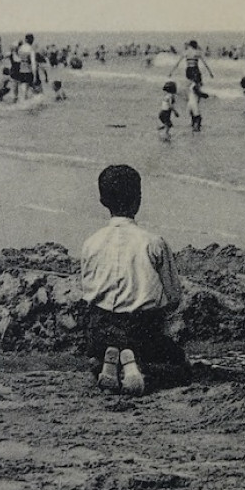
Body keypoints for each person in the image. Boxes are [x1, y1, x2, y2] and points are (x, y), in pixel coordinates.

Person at [79, 164, 189, 397]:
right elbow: (174, 297)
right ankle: (136, 367)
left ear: (102, 201)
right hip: (140, 328)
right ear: (138, 200)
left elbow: (88, 291)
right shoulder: (154, 242)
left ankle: (110, 363)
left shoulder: (90, 243)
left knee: (101, 351)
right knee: (179, 366)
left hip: (100, 329)